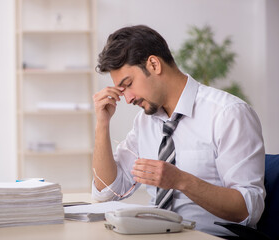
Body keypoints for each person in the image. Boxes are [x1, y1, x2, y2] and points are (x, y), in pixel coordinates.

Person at [91, 25, 265, 237]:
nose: (127, 99)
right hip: (157, 234)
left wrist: (182, 181)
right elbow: (107, 192)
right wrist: (102, 123)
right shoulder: (145, 122)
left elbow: (247, 211)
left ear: (154, 64)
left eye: (128, 84)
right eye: (121, 90)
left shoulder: (228, 114)